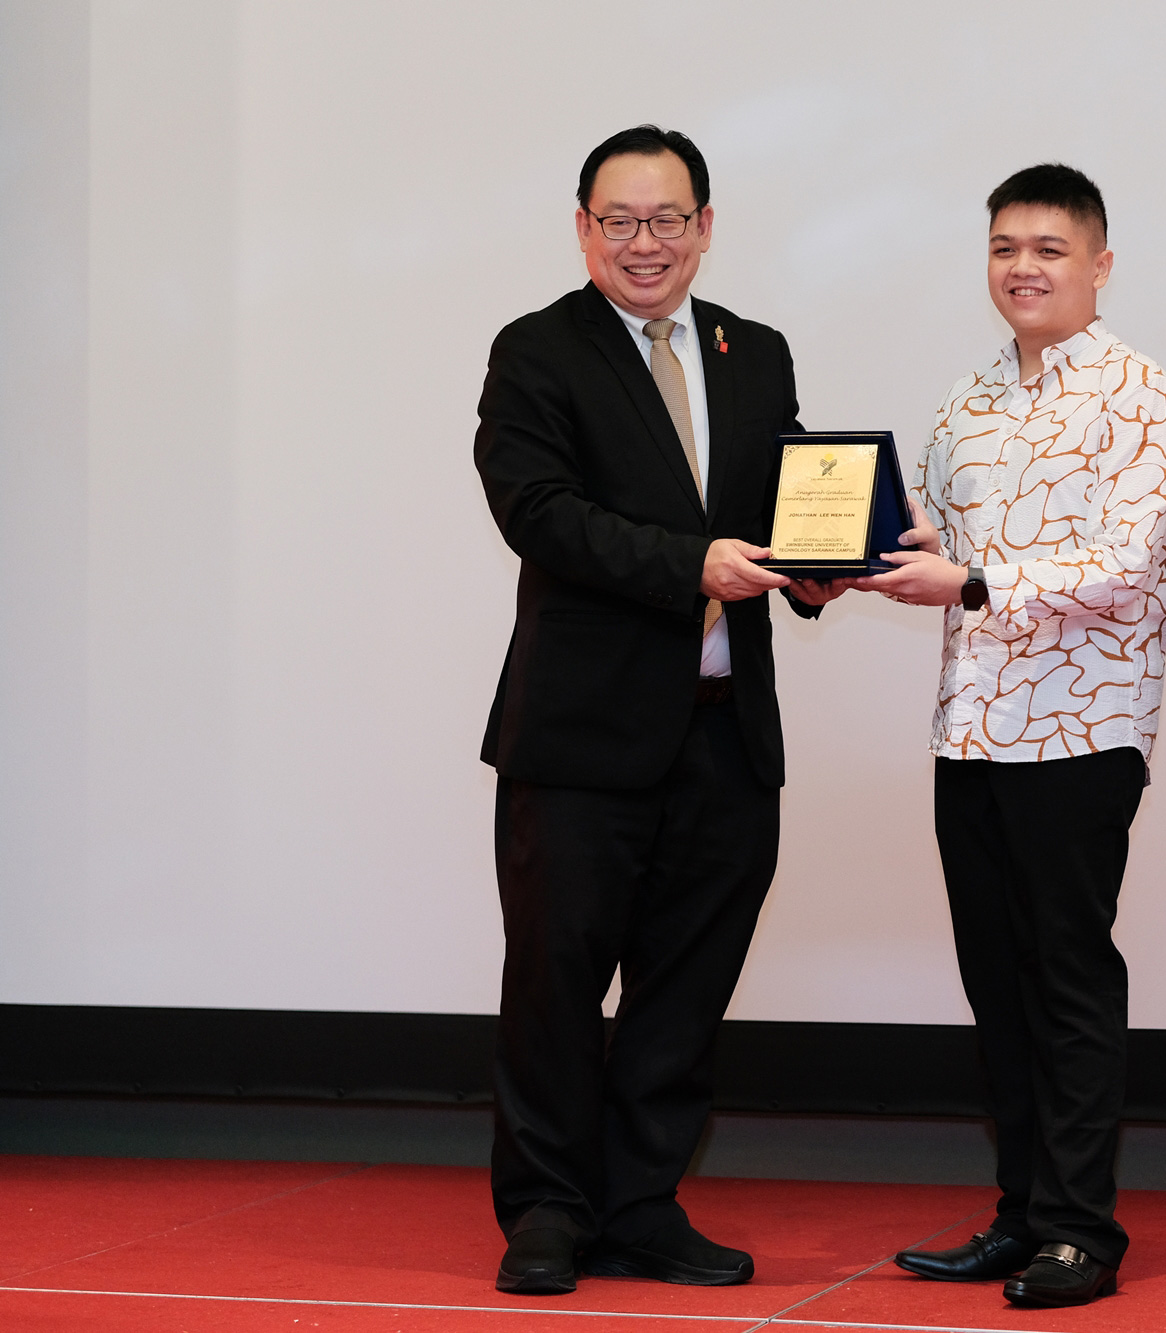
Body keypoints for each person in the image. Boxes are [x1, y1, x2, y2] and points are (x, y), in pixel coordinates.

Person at [473, 124, 840, 1296]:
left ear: (705, 225)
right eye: (619, 221)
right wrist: (695, 564)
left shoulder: (754, 351)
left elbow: (792, 505)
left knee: (685, 988)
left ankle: (638, 1202)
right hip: (580, 738)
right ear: (583, 228)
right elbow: (540, 512)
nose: (645, 243)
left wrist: (839, 559)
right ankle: (546, 1210)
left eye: (667, 219)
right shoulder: (535, 352)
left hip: (728, 734)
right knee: (554, 979)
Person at [852, 164, 1166, 1309]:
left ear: (1098, 264)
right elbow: (927, 544)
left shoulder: (1141, 392)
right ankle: (1018, 1214)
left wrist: (971, 577)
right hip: (970, 733)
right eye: (1003, 246)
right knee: (996, 984)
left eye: (1048, 247)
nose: (1022, 266)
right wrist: (839, 548)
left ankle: (1081, 1232)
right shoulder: (964, 403)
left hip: (1083, 732)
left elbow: (1123, 563)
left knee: (1067, 979)